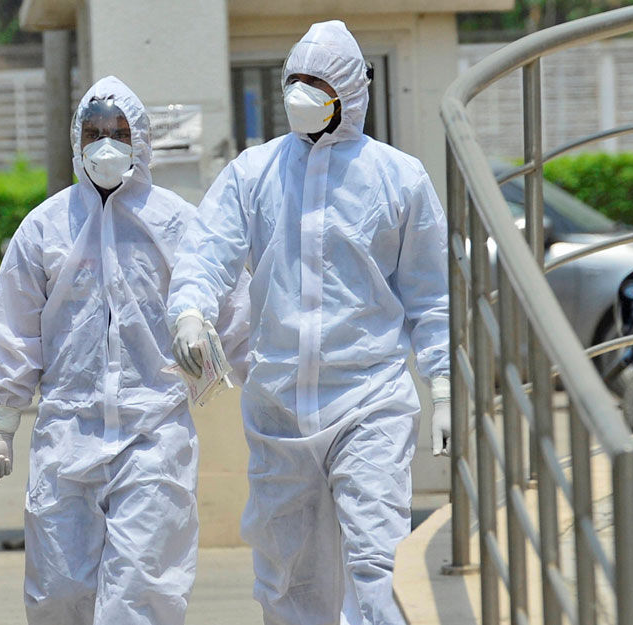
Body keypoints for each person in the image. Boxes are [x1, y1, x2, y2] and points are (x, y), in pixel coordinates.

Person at [167, 21, 451, 625]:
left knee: (378, 558)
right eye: (294, 79)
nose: (301, 92)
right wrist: (191, 308)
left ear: (348, 91)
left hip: (369, 396)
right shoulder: (253, 173)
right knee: (287, 571)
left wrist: (444, 384)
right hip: (279, 405)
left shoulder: (399, 177)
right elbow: (207, 251)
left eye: (317, 82)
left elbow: (432, 296)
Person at [0, 75, 249, 625]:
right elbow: (15, 330)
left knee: (140, 593)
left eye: (118, 132)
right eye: (93, 132)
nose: (105, 145)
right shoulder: (46, 227)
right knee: (58, 594)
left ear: (140, 140)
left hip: (154, 433)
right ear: (76, 140)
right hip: (66, 435)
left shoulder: (176, 222)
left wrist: (249, 380)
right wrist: (2, 425)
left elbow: (233, 304)